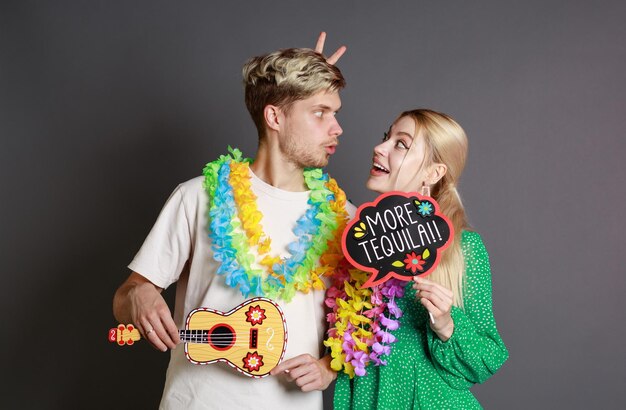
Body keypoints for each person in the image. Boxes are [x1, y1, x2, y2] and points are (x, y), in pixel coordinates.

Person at [113, 34, 355, 409]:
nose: (337, 128)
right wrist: (139, 295)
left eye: (335, 113)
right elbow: (124, 298)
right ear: (274, 116)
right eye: (320, 113)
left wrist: (329, 367)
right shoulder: (198, 196)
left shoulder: (344, 218)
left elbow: (366, 322)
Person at [324, 109, 509, 409]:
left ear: (433, 173)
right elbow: (340, 336)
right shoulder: (356, 244)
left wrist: (446, 324)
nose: (379, 148)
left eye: (401, 144)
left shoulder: (462, 249)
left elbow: (488, 357)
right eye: (387, 137)